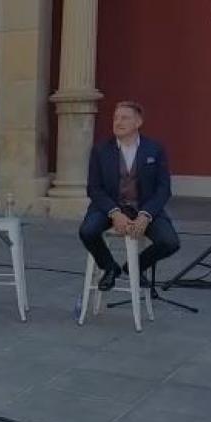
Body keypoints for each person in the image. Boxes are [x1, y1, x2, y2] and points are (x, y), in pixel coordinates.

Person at [79, 101, 180, 291]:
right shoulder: (100, 150)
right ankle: (109, 267)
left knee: (170, 242)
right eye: (116, 118)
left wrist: (146, 215)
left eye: (124, 118)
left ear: (138, 122)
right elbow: (94, 188)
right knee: (87, 231)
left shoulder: (154, 149)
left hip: (144, 206)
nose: (118, 122)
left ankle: (134, 267)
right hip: (110, 205)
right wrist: (114, 213)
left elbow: (163, 188)